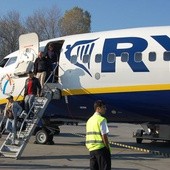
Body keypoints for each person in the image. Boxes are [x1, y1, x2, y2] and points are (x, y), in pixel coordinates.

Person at [86, 100, 111, 170]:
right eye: (103, 107)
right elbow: (104, 135)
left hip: (92, 150)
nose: (105, 109)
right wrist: (107, 147)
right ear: (98, 108)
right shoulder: (101, 119)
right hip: (101, 150)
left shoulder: (89, 120)